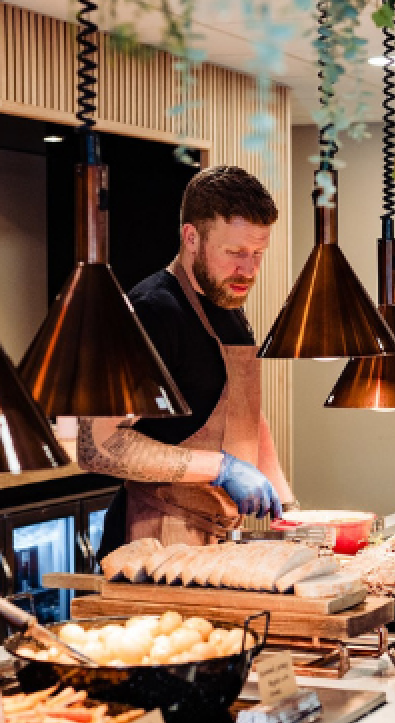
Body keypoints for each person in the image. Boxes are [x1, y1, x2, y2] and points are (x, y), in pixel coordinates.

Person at [82, 166, 296, 557]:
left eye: (257, 254)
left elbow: (247, 415)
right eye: (235, 253)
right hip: (153, 541)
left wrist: (290, 512)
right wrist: (221, 468)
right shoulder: (152, 311)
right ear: (191, 237)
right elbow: (95, 444)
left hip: (215, 536)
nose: (248, 270)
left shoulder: (229, 305)